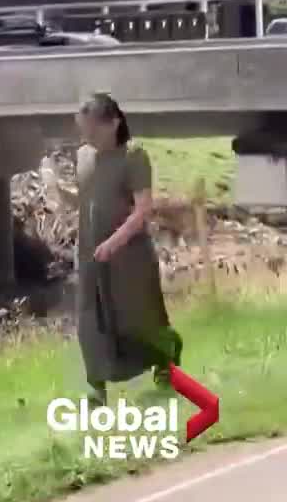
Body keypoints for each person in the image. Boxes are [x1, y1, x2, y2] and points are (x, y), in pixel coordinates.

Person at [41, 92, 183, 407]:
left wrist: (114, 242)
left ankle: (165, 361)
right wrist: (55, 188)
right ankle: (97, 387)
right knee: (90, 317)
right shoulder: (84, 156)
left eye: (92, 130)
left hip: (128, 254)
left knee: (138, 317)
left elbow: (143, 209)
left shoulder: (134, 156)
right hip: (90, 251)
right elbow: (85, 200)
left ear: (114, 123)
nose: (86, 137)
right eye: (83, 130)